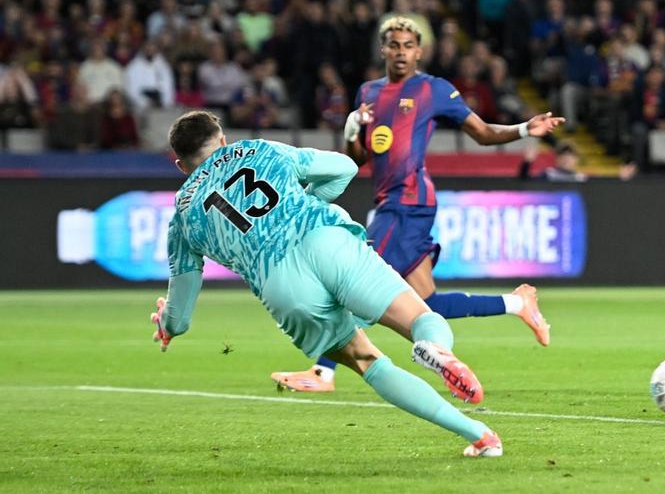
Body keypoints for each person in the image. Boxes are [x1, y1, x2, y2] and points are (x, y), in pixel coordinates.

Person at [151, 111, 502, 457]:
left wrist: (167, 324)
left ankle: (480, 436)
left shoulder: (182, 216)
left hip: (281, 284)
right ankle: (438, 350)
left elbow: (179, 318)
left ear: (181, 165)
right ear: (223, 140)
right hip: (323, 240)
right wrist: (310, 200)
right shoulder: (258, 150)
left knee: (367, 361)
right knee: (417, 317)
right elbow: (344, 168)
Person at [273, 16, 564, 393]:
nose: (400, 52)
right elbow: (359, 158)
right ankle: (516, 303)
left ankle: (323, 371)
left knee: (353, 275)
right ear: (383, 50)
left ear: (419, 51)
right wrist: (349, 134)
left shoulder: (433, 89)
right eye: (393, 45)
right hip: (388, 203)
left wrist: (525, 128)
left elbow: (482, 133)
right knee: (426, 303)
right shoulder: (369, 92)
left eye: (408, 46)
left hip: (409, 201)